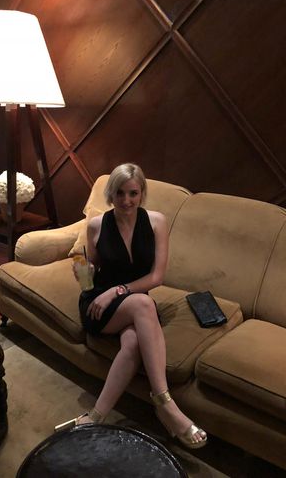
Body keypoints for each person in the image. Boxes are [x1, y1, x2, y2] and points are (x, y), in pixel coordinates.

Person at [55, 163, 207, 449]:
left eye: (133, 193)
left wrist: (118, 291)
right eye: (120, 193)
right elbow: (89, 280)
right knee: (144, 305)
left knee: (135, 341)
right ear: (111, 195)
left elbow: (156, 277)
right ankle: (165, 403)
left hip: (129, 301)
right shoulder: (97, 225)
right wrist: (84, 272)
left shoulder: (157, 222)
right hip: (99, 305)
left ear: (141, 193)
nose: (126, 200)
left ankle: (94, 416)